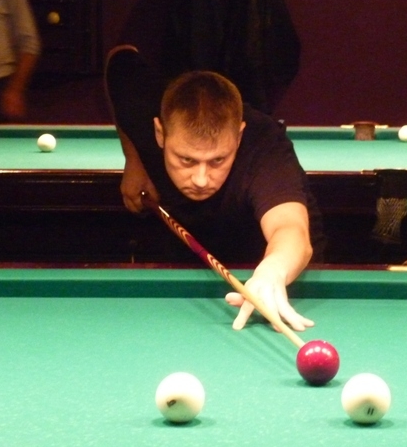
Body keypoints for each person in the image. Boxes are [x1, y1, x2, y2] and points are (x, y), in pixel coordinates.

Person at [106, 46, 325, 333]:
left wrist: (273, 269)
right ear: (160, 134)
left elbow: (289, 227)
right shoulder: (141, 107)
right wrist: (132, 158)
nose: (201, 179)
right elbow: (118, 60)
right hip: (190, 245)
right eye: (186, 160)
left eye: (217, 160)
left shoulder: (264, 148)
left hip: (268, 261)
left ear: (239, 136)